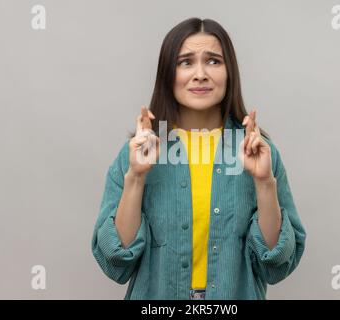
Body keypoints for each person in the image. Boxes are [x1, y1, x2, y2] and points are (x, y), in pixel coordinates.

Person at [91, 17, 306, 300]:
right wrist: (136, 177)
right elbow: (115, 262)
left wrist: (265, 182)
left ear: (230, 72)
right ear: (168, 73)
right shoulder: (138, 152)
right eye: (186, 62)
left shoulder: (258, 151)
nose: (200, 74)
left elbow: (276, 266)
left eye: (214, 61)